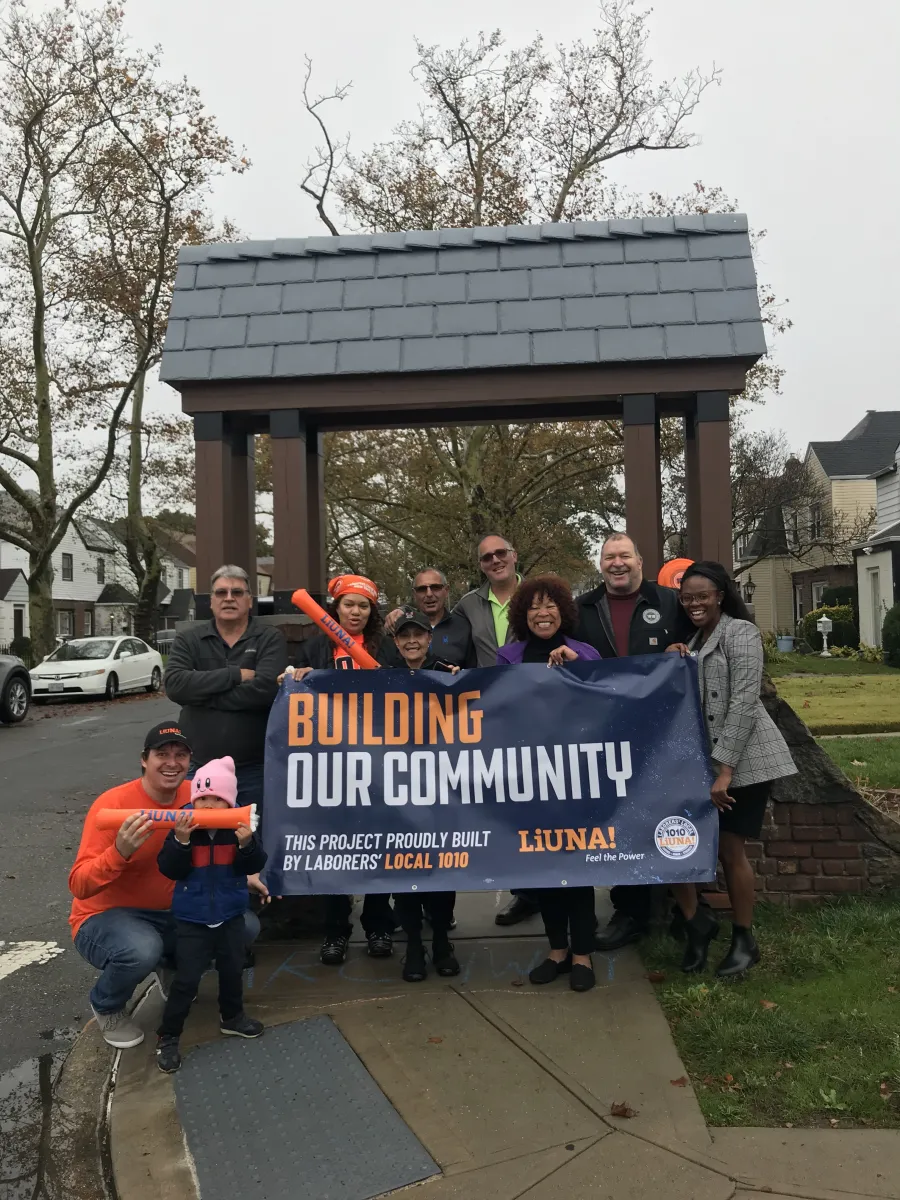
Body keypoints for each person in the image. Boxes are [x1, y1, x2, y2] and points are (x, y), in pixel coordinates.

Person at [69, 721, 260, 1049]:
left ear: (190, 762)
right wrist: (119, 853)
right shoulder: (112, 805)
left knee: (245, 925)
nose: (172, 762)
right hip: (109, 916)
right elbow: (80, 885)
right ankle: (108, 1005)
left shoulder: (199, 794)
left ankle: (171, 965)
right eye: (162, 754)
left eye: (181, 755)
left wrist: (246, 872)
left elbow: (221, 842)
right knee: (141, 949)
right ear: (144, 759)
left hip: (176, 909)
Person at [666, 561, 797, 976]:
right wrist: (674, 659)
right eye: (687, 598)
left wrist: (725, 771)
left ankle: (744, 938)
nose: (694, 604)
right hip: (700, 765)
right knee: (676, 844)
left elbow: (743, 703)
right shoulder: (692, 639)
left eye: (702, 595)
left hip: (743, 762)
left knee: (730, 850)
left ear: (720, 594)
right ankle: (696, 923)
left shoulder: (741, 633)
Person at [575, 533, 695, 952]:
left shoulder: (668, 601)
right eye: (609, 557)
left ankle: (684, 908)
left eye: (625, 555)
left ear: (641, 560)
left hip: (663, 730)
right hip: (606, 731)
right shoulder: (583, 609)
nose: (617, 563)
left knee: (667, 812)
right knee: (619, 818)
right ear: (601, 564)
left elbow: (697, 644)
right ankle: (630, 910)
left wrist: (682, 649)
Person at [498, 575, 601, 992]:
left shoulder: (585, 652)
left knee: (577, 868)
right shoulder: (509, 657)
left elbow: (611, 695)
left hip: (576, 775)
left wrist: (578, 668)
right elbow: (498, 709)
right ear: (523, 616)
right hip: (530, 777)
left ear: (563, 610)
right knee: (544, 868)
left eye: (550, 605)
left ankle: (583, 954)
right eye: (533, 607)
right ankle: (556, 950)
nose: (542, 613)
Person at [289, 574, 395, 964]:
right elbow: (291, 696)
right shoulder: (314, 649)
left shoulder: (385, 648)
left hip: (379, 762)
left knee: (379, 846)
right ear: (334, 609)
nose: (355, 612)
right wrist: (296, 678)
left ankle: (379, 925)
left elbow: (409, 688)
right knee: (337, 850)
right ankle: (335, 931)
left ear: (372, 612)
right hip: (330, 766)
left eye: (363, 606)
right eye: (349, 604)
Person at [155, 756, 267, 1072]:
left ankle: (232, 1016)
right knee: (187, 980)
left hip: (230, 914)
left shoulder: (239, 828)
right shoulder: (183, 824)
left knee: (233, 970)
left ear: (229, 802)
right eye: (202, 798)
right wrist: (181, 841)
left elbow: (255, 864)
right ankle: (169, 1035)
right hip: (192, 919)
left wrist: (248, 846)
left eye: (216, 799)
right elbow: (169, 868)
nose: (207, 805)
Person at [455, 533, 539, 926]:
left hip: (538, 712)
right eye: (486, 557)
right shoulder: (468, 604)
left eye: (500, 552)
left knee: (543, 801)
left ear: (514, 554)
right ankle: (524, 891)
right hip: (491, 718)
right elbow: (442, 638)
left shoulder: (539, 594)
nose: (494, 560)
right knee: (508, 804)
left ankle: (555, 888)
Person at [164, 564, 287, 819]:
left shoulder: (269, 638)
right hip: (198, 767)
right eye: (221, 593)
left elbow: (265, 690)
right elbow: (175, 685)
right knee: (197, 842)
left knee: (253, 843)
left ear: (249, 601)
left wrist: (202, 695)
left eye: (237, 592)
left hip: (255, 769)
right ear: (211, 601)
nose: (229, 598)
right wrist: (236, 675)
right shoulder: (189, 639)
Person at [388, 612, 462, 981]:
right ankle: (413, 945)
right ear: (396, 642)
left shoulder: (447, 672)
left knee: (441, 868)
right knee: (403, 870)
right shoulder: (381, 675)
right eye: (405, 636)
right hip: (398, 787)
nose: (412, 641)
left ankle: (442, 942)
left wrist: (461, 682)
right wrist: (307, 679)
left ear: (429, 638)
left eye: (418, 634)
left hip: (440, 786)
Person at [383, 568, 476, 668]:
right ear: (414, 594)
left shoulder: (463, 627)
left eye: (435, 587)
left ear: (446, 590)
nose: (429, 594)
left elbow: (472, 674)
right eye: (422, 589)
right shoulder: (397, 626)